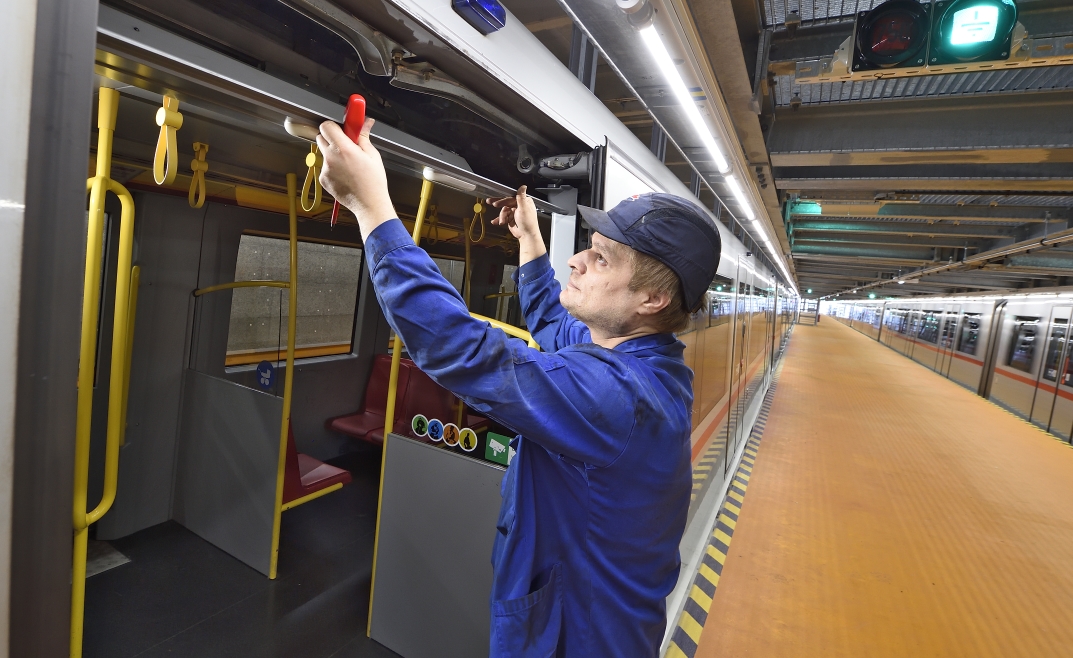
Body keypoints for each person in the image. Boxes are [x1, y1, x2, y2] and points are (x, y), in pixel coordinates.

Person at [318, 117, 721, 657]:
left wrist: (372, 207)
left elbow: (464, 350)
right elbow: (557, 329)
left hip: (576, 641)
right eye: (588, 246)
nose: (576, 260)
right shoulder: (634, 357)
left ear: (651, 301)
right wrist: (531, 239)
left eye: (601, 258)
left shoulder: (619, 397)